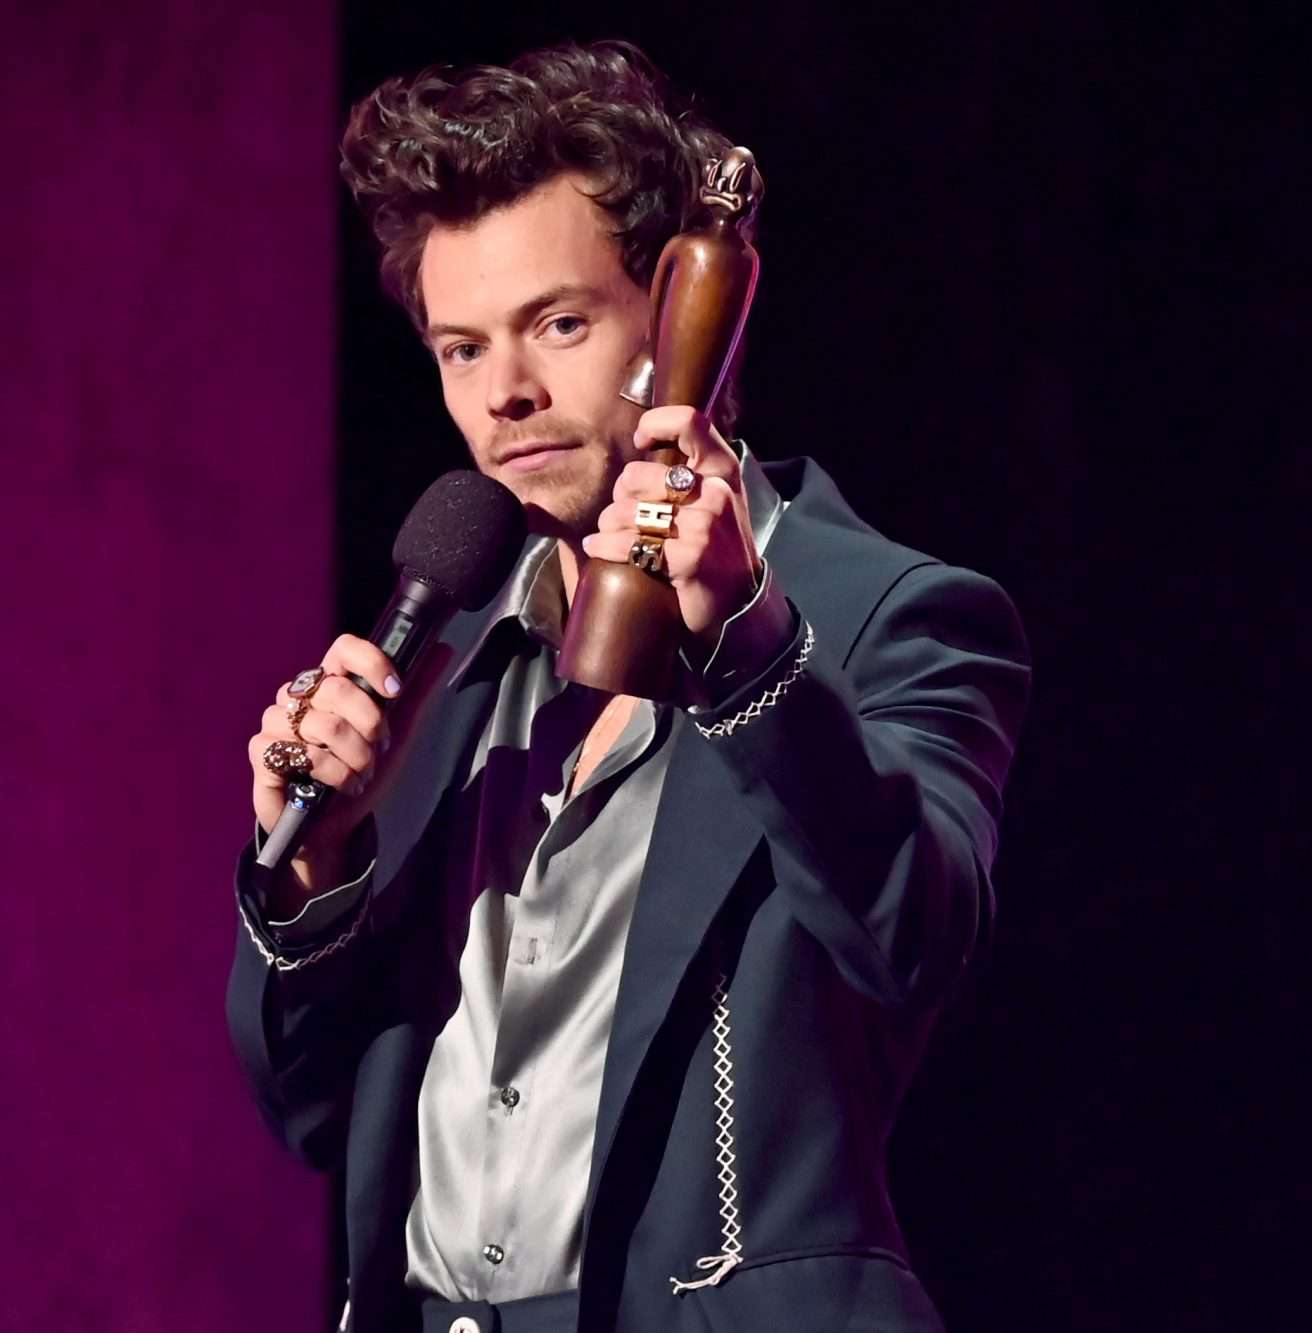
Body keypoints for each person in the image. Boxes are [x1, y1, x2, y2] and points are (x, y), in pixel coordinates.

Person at [227, 40, 1031, 1333]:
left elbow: (915, 936)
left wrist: (750, 643)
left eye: (558, 322)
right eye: (459, 347)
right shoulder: (456, 659)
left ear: (681, 313)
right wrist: (313, 870)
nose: (506, 395)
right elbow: (309, 1107)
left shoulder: (888, 616)